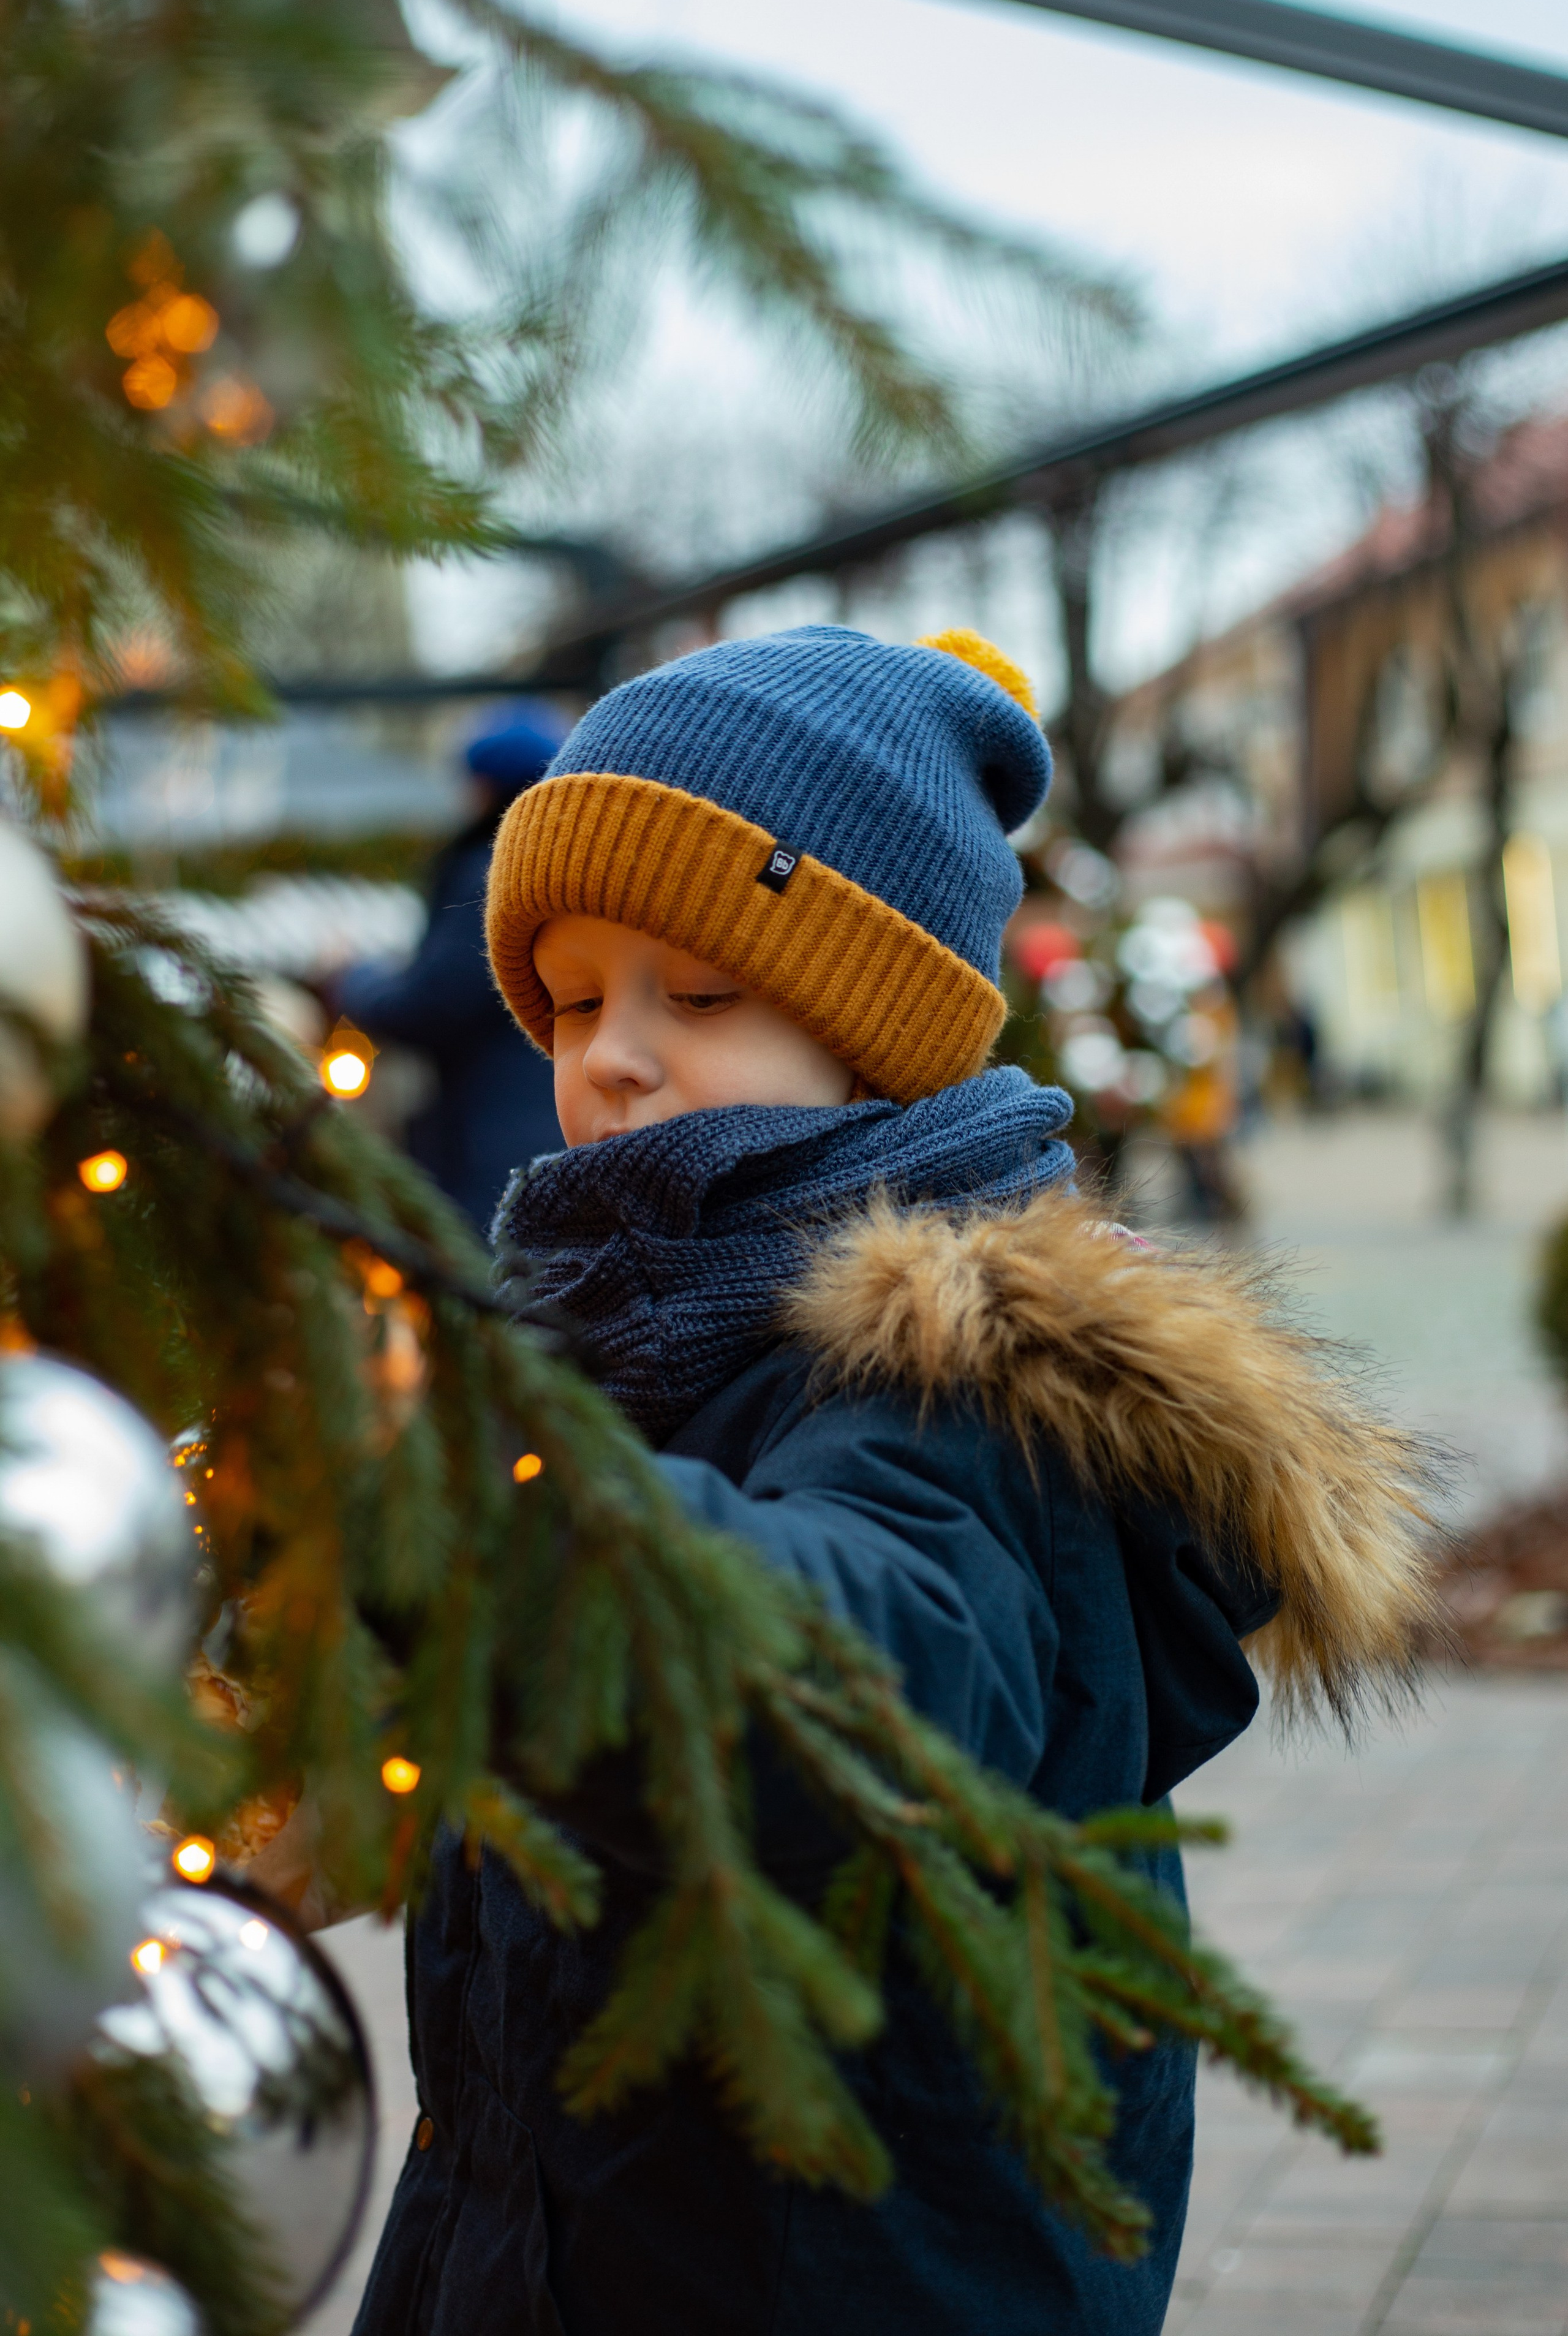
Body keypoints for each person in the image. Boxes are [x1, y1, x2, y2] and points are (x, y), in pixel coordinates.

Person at [353, 626, 1434, 2336]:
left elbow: (837, 1688)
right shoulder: (617, 1339)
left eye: (696, 994)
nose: (612, 1056)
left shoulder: (962, 1387)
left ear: (879, 1035)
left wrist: (467, 1484)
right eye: (568, 1000)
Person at [334, 703, 567, 1233]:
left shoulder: (489, 873)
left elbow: (429, 1005)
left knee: (498, 1287)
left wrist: (353, 977)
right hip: (543, 1123)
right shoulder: (563, 870)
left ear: (483, 785)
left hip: (492, 1136)